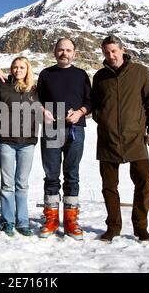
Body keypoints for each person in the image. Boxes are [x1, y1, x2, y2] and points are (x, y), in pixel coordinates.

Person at [91, 35, 149, 242]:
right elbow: (95, 105)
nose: (110, 56)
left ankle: (140, 227)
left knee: (144, 182)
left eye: (114, 51)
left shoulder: (140, 72)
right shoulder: (99, 77)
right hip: (107, 139)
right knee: (109, 186)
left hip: (136, 139)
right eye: (106, 52)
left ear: (122, 50)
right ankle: (113, 227)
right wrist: (103, 119)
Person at [37, 38, 92, 240]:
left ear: (74, 53)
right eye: (61, 49)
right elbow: (36, 99)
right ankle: (51, 219)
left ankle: (71, 221)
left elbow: (90, 100)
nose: (64, 53)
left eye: (68, 50)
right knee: (51, 175)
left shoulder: (81, 75)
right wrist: (42, 111)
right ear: (55, 51)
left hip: (75, 129)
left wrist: (80, 112)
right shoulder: (46, 74)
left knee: (72, 175)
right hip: (52, 128)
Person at [0, 57, 41, 237]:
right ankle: (8, 221)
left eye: (21, 67)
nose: (17, 70)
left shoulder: (34, 89)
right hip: (6, 140)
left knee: (22, 184)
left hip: (27, 143)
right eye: (15, 67)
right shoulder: (3, 85)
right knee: (7, 184)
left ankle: (22, 221)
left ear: (27, 69)